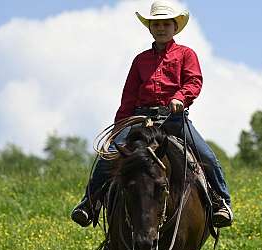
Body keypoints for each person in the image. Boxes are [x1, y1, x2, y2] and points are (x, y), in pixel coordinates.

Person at [71, 0, 233, 228]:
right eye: (156, 24)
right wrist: (120, 125)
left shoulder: (186, 54)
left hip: (173, 118)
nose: (161, 28)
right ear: (150, 27)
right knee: (109, 155)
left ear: (175, 27)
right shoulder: (140, 60)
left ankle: (221, 203)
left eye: (166, 24)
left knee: (206, 156)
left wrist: (180, 97)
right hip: (139, 118)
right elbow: (128, 96)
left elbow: (194, 81)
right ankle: (90, 203)